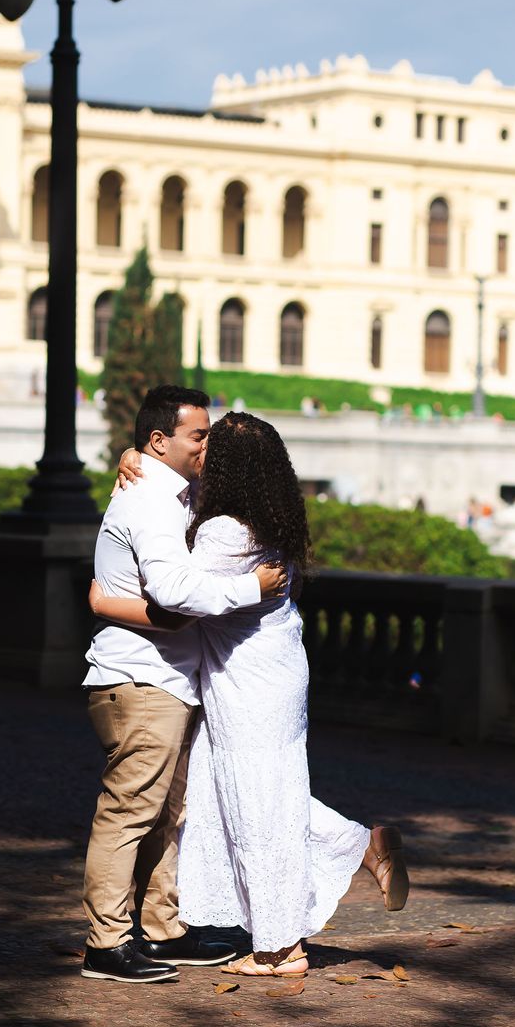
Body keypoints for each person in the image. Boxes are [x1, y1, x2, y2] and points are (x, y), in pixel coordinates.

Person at [92, 411, 409, 978]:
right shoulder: (271, 521)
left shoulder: (224, 531)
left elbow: (177, 597)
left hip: (246, 682)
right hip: (277, 672)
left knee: (254, 803)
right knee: (257, 792)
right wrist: (135, 457)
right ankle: (361, 849)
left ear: (230, 469)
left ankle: (281, 948)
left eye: (211, 448)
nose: (202, 454)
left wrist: (102, 601)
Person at [81, 387, 288, 985]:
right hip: (140, 678)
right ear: (159, 441)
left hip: (166, 679)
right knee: (129, 813)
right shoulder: (150, 501)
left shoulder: (169, 492)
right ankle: (106, 943)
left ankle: (162, 927)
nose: (207, 446)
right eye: (199, 436)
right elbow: (173, 594)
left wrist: (132, 456)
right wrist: (251, 589)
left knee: (166, 813)